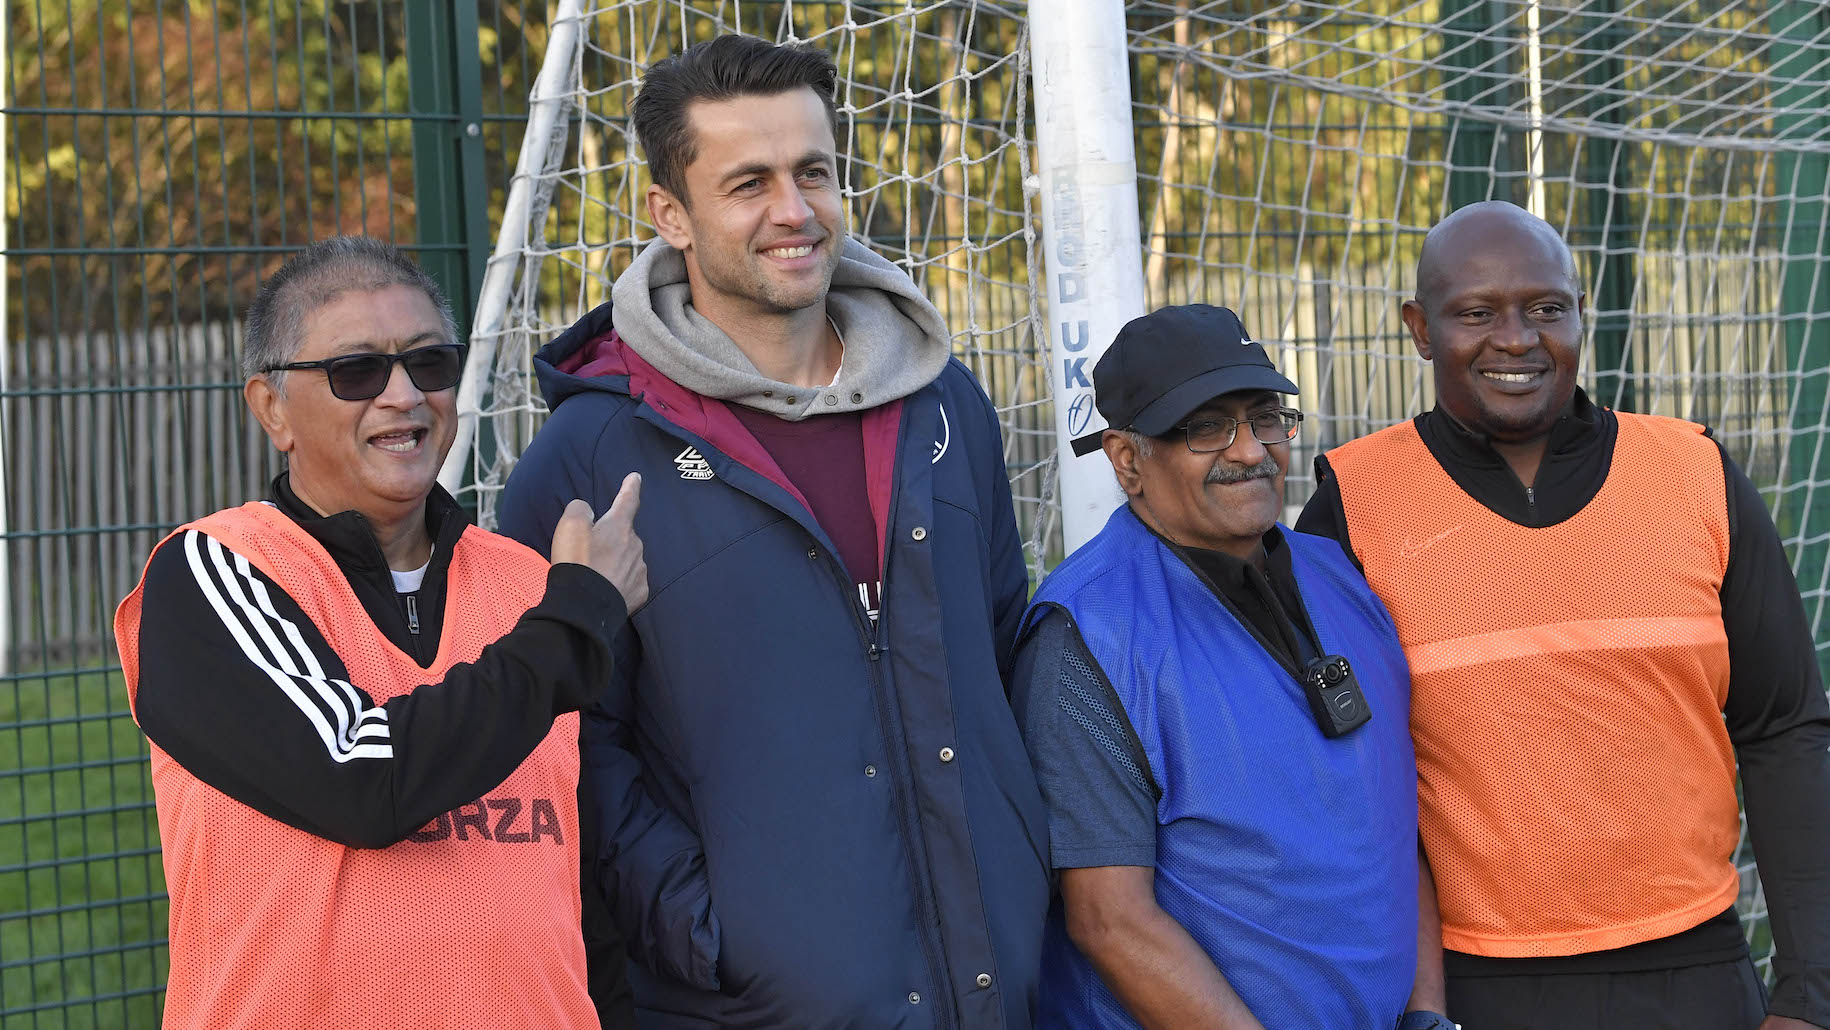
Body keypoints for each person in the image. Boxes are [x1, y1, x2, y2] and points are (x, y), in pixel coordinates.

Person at [495, 34, 1047, 1029]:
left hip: (992, 981)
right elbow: (573, 749)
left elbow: (1004, 651)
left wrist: (1023, 877)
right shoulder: (587, 456)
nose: (793, 212)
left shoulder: (944, 406)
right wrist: (715, 932)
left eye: (814, 173)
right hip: (754, 1002)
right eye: (748, 182)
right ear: (671, 214)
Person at [1298, 200, 1830, 1030]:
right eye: (1476, 313)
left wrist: (1808, 991)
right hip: (1472, 988)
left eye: (1547, 308)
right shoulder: (1353, 508)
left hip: (1696, 972)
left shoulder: (1695, 474)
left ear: (1582, 314)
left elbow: (1786, 729)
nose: (1516, 339)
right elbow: (1345, 782)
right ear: (1419, 327)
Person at [113, 236, 648, 1029]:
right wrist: (576, 622)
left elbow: (576, 895)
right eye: (356, 371)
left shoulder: (529, 587)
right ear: (271, 409)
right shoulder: (213, 570)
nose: (403, 395)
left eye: (429, 364)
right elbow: (361, 780)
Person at [1010, 303, 1453, 1029]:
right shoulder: (1086, 638)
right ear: (1126, 459)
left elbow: (1392, 827)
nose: (1251, 451)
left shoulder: (1340, 575)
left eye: (1265, 417)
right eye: (1207, 426)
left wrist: (1426, 1012)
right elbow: (1110, 923)